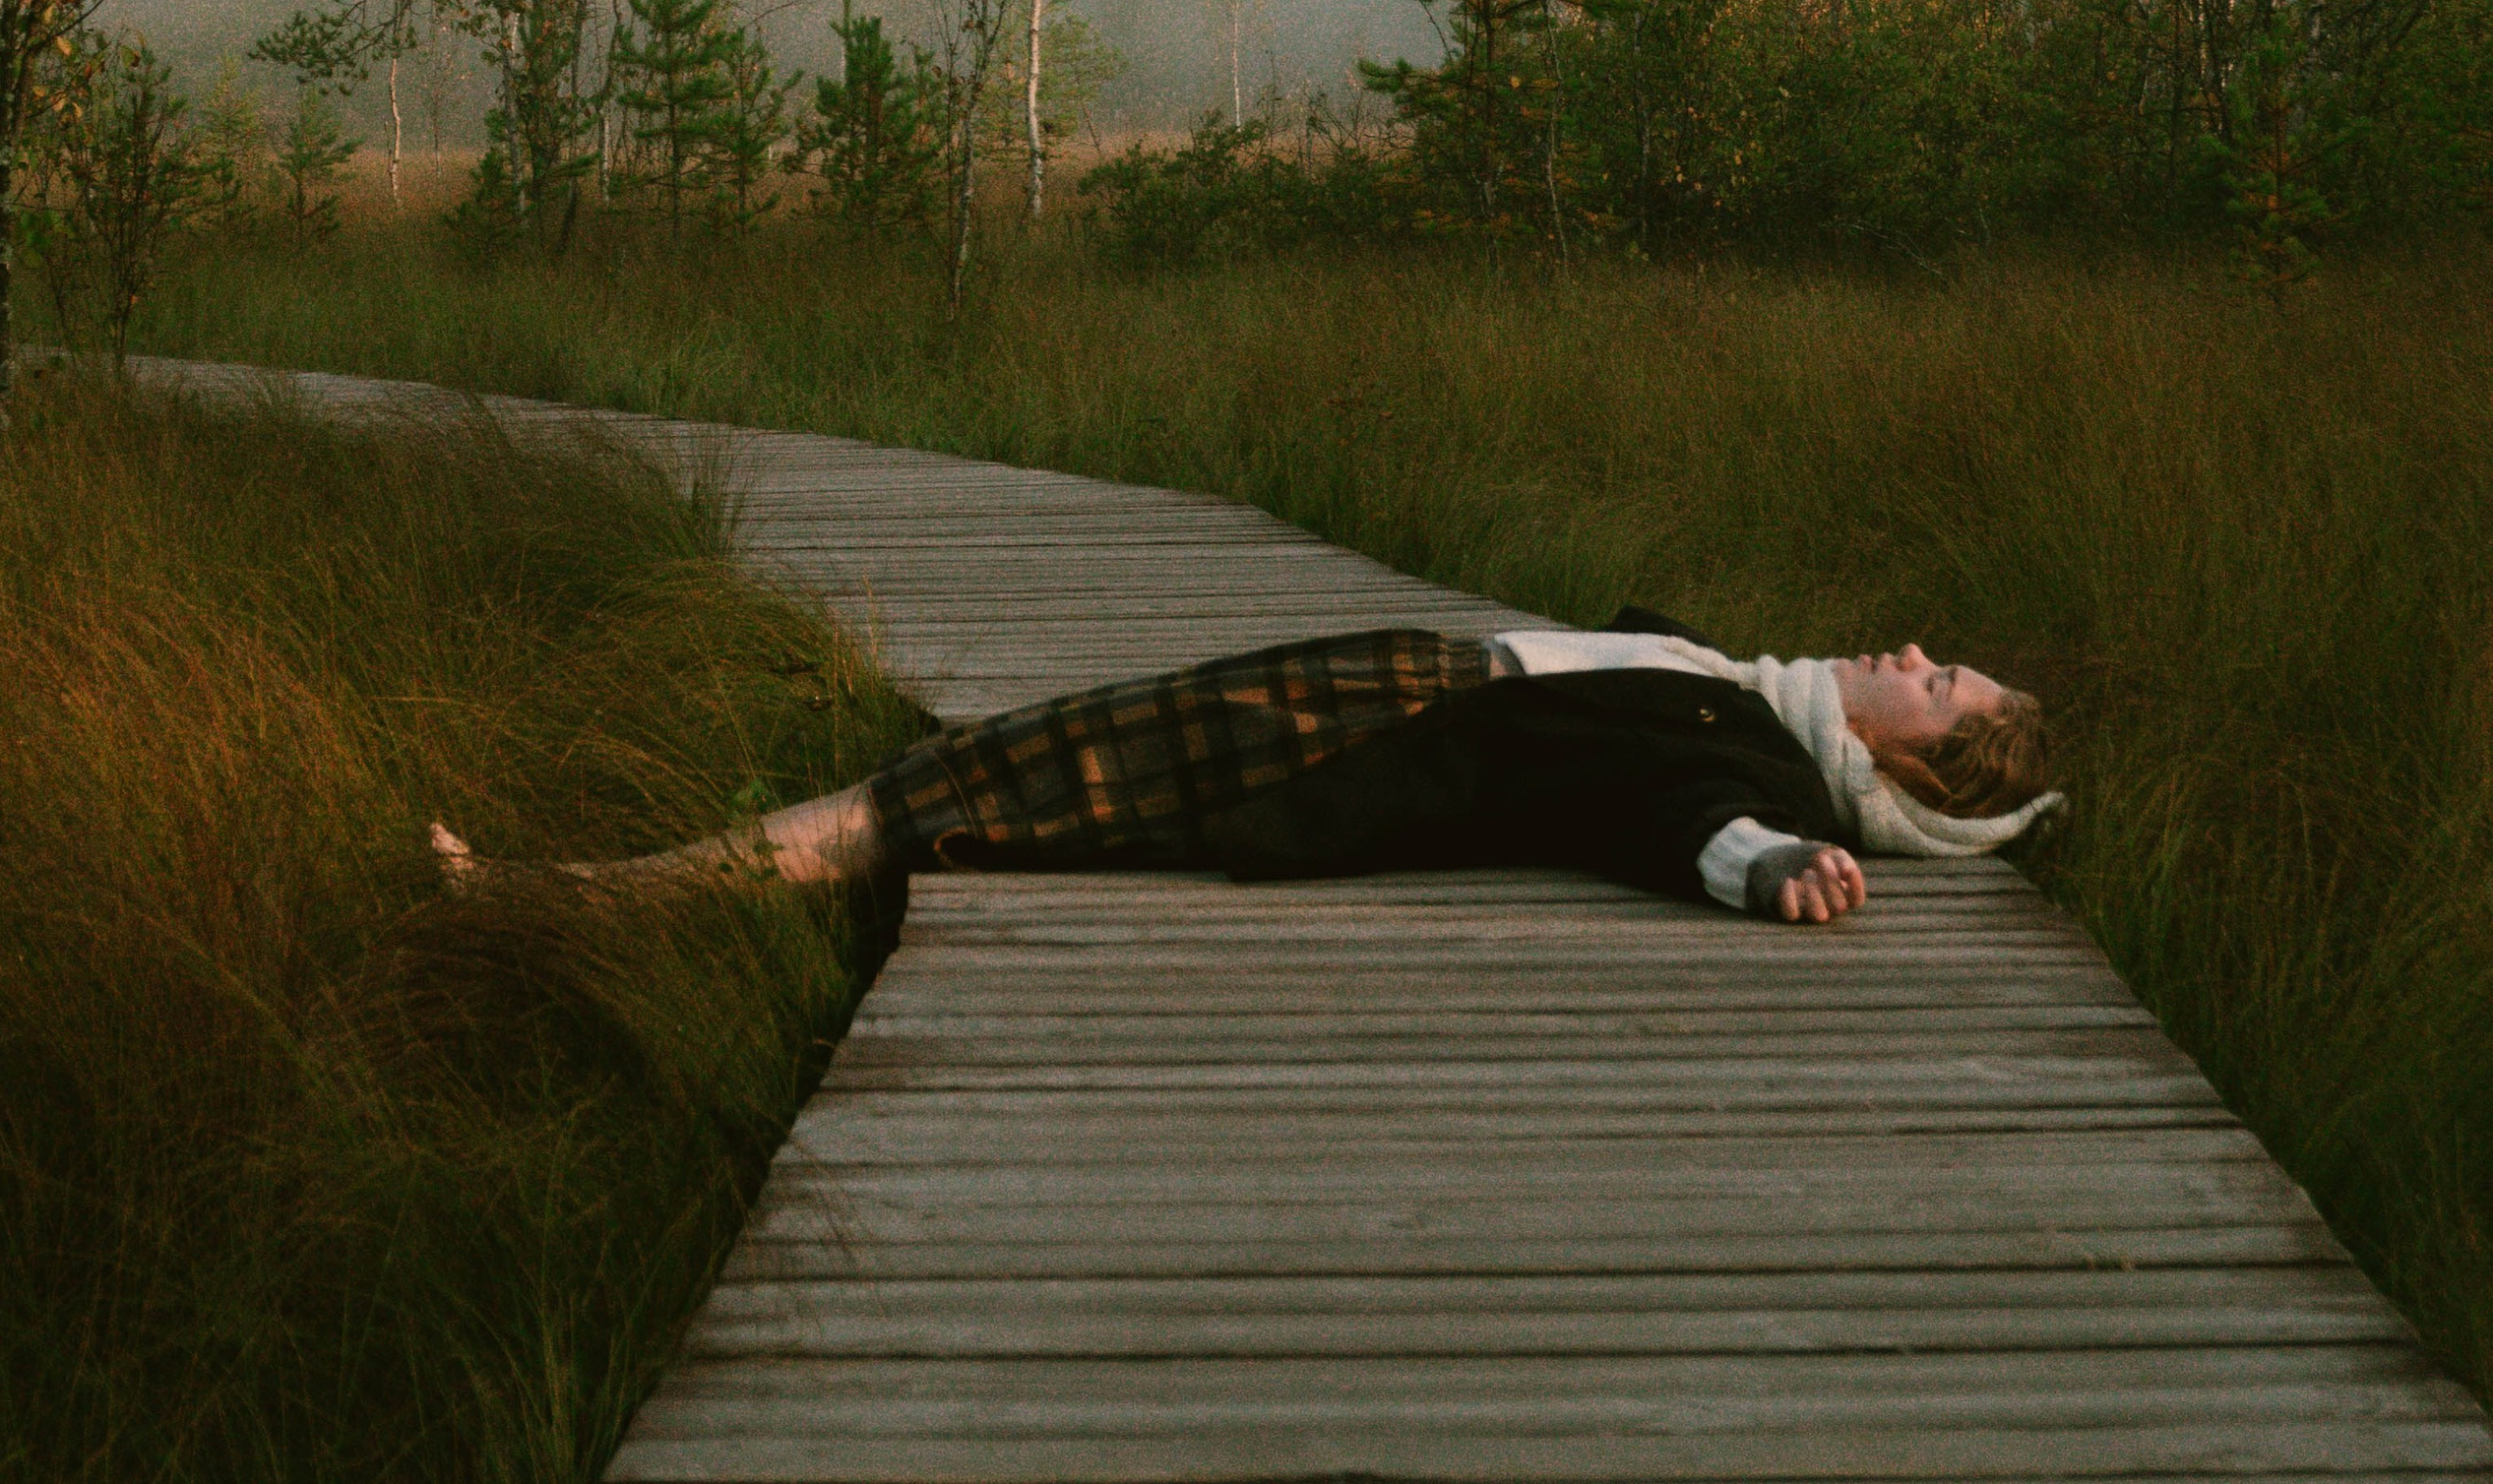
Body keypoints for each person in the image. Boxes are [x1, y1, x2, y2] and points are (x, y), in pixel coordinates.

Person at [432, 607, 2056, 925]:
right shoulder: (1735, 682)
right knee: (968, 779)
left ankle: (565, 901)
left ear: (1911, 773)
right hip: (1353, 692)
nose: (1915, 652)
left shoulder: (1744, 755)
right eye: (1935, 655)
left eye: (1940, 684)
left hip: (1351, 727)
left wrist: (1770, 865)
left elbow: (1675, 823)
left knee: (943, 802)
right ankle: (585, 892)